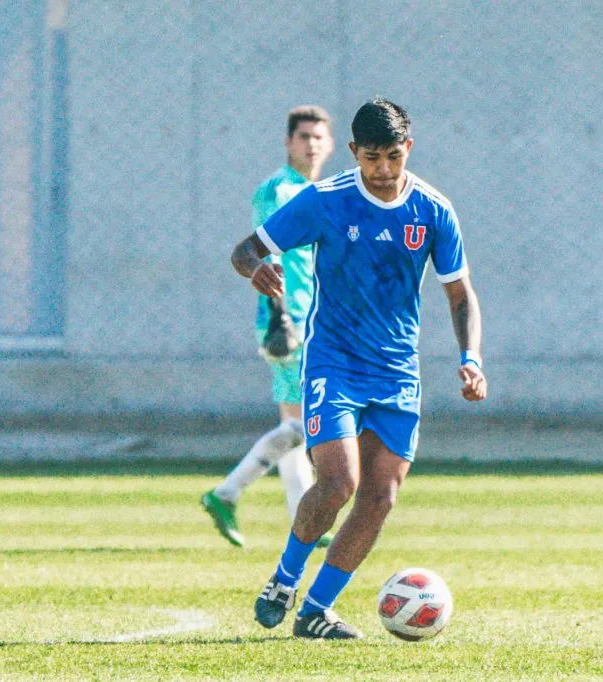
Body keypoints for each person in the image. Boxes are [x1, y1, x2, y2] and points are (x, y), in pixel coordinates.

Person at [230, 97, 487, 639]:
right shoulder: (326, 200)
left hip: (397, 374)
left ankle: (315, 610)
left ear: (408, 149)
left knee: (381, 496)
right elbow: (247, 249)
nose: (385, 170)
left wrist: (470, 359)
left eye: (394, 156)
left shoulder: (434, 211)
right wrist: (256, 269)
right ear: (354, 153)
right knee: (339, 481)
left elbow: (460, 295)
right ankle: (284, 578)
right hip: (335, 364)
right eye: (373, 158)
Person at [202, 105, 335, 549]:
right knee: (302, 428)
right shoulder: (279, 190)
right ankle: (226, 492)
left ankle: (302, 522)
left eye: (318, 137)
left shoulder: (320, 190)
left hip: (313, 318)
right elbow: (266, 251)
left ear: (330, 144)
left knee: (296, 428)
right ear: (288, 142)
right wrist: (279, 313)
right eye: (303, 136)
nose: (311, 143)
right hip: (288, 319)